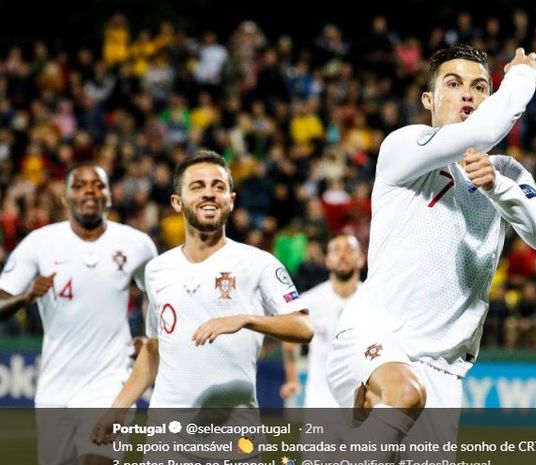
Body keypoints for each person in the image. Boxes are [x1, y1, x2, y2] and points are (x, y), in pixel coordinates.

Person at [325, 44, 536, 459]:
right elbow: (478, 134)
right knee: (404, 394)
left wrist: (498, 189)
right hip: (376, 336)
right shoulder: (404, 147)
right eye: (453, 85)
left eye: (480, 88)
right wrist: (522, 79)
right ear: (429, 99)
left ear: (490, 100)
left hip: (445, 370)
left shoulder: (506, 172)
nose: (468, 95)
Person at [91, 151, 312, 458]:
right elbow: (155, 348)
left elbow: (303, 327)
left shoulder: (258, 263)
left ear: (231, 200)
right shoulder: (157, 270)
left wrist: (247, 319)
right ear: (177, 202)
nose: (209, 192)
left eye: (218, 186)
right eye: (197, 186)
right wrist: (116, 409)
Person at [0, 161, 157, 465]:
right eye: (80, 185)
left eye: (98, 185)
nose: (90, 191)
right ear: (65, 198)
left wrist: (149, 338)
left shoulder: (137, 244)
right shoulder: (40, 243)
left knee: (96, 459)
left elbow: (160, 296)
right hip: (55, 388)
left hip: (111, 382)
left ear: (109, 196)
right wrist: (26, 296)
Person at [280, 233, 365, 407]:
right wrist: (292, 379)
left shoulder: (373, 300)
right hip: (319, 401)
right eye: (336, 250)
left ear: (361, 259)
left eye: (349, 250)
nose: (342, 255)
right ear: (327, 260)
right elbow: (289, 341)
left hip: (363, 403)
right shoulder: (309, 301)